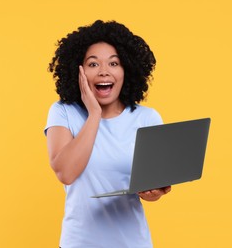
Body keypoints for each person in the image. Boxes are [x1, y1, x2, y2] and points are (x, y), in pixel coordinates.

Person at [45, 20, 171, 248]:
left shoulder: (147, 118)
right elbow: (65, 172)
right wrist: (94, 114)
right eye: (93, 65)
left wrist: (154, 192)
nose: (104, 71)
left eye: (114, 63)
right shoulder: (63, 112)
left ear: (127, 70)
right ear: (79, 71)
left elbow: (154, 186)